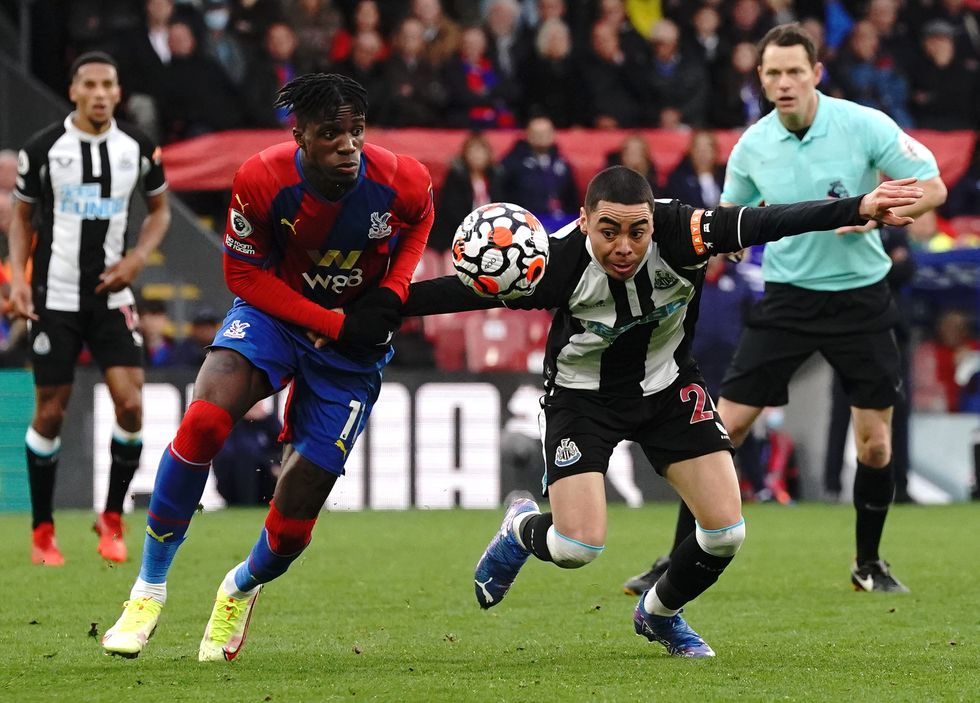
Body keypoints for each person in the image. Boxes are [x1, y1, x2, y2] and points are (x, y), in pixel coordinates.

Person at [404, 164, 923, 657]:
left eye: (638, 231)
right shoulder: (554, 262)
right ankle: (521, 529)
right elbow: (461, 293)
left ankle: (660, 614)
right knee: (575, 548)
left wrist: (859, 206)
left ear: (655, 220)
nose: (625, 247)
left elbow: (772, 220)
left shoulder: (686, 232)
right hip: (583, 399)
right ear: (583, 221)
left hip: (669, 389)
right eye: (608, 231)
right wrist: (364, 307)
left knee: (726, 533)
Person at [101, 73, 433, 661]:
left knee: (299, 501)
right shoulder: (262, 177)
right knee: (203, 421)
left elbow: (421, 219)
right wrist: (331, 322)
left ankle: (239, 587)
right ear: (301, 137)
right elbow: (242, 276)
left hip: (353, 350)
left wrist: (396, 288)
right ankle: (147, 590)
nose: (348, 145)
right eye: (331, 134)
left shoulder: (401, 177)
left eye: (355, 132)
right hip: (276, 316)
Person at [623, 23, 947, 597]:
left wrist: (885, 213)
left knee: (875, 444)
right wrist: (728, 242)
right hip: (788, 298)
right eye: (773, 72)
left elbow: (934, 186)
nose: (784, 82)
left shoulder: (863, 123)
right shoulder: (753, 146)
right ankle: (674, 562)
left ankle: (868, 564)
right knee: (721, 430)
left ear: (816, 73)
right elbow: (729, 222)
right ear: (762, 79)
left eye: (795, 70)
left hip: (861, 297)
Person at [7, 51, 170, 566]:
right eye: (90, 85)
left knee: (132, 405)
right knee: (50, 413)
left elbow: (160, 211)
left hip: (112, 297)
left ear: (119, 93)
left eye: (109, 85)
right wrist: (19, 282)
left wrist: (138, 258)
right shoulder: (45, 149)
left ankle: (112, 518)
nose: (100, 93)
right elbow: (21, 219)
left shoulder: (138, 148)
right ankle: (42, 531)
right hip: (55, 297)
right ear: (74, 91)